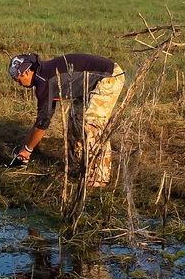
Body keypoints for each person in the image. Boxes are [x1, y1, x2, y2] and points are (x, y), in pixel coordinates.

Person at [7, 53, 126, 188]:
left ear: (27, 71)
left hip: (109, 76)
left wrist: (27, 150)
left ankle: (99, 177)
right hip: (87, 84)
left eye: (18, 80)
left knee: (92, 122)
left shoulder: (45, 81)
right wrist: (25, 147)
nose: (19, 84)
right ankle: (77, 169)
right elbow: (41, 120)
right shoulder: (43, 76)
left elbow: (43, 123)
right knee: (76, 121)